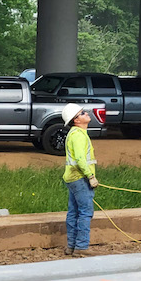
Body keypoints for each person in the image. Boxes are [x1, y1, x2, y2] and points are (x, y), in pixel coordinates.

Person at [62, 102, 97, 256]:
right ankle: (81, 247)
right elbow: (81, 159)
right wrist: (91, 176)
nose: (86, 114)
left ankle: (72, 246)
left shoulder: (76, 133)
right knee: (85, 212)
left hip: (72, 178)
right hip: (80, 178)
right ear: (76, 120)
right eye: (82, 113)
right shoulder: (78, 135)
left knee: (74, 212)